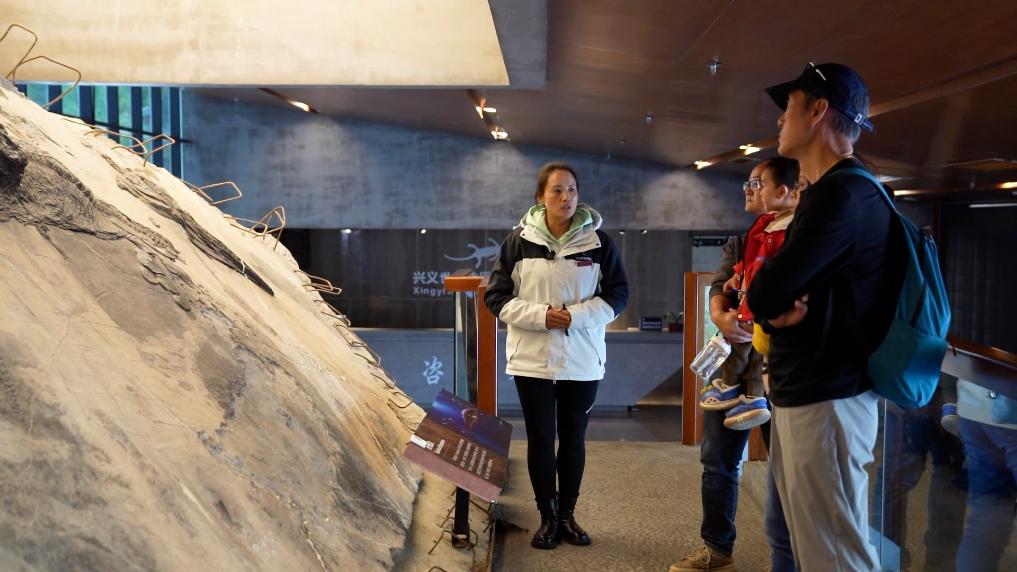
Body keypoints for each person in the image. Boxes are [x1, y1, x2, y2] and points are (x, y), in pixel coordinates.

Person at [747, 62, 906, 571]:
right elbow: (770, 297)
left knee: (835, 554)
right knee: (818, 546)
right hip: (814, 395)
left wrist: (773, 305)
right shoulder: (834, 191)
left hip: (828, 399)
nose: (779, 120)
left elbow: (766, 292)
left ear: (818, 111)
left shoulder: (843, 195)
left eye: (788, 107)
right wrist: (774, 306)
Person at [484, 161, 628, 550]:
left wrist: (574, 317)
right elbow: (496, 297)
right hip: (531, 360)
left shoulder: (600, 243)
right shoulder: (517, 243)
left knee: (574, 438)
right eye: (557, 190)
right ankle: (547, 517)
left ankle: (567, 516)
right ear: (540, 197)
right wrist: (542, 316)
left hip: (582, 359)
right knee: (541, 438)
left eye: (572, 190)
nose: (566, 197)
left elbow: (618, 295)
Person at [671, 158, 798, 572]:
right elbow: (720, 283)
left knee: (789, 469)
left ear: (788, 190)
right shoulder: (745, 240)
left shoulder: (803, 237)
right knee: (718, 460)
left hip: (781, 369)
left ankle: (790, 558)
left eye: (757, 183)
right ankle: (716, 549)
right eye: (748, 182)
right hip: (734, 364)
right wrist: (720, 315)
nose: (748, 189)